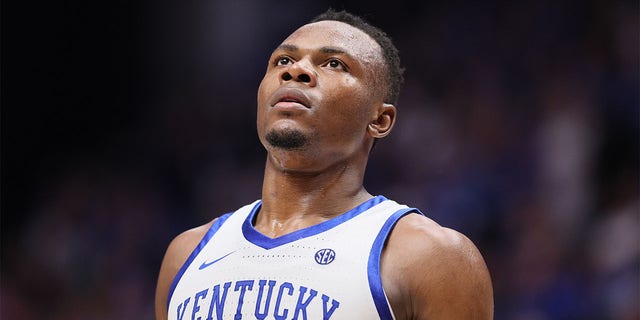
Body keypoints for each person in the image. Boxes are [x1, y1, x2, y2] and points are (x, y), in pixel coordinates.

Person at [155, 9, 493, 320]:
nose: (295, 70)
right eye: (283, 60)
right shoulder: (186, 254)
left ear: (380, 119)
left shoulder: (431, 258)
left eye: (334, 64)